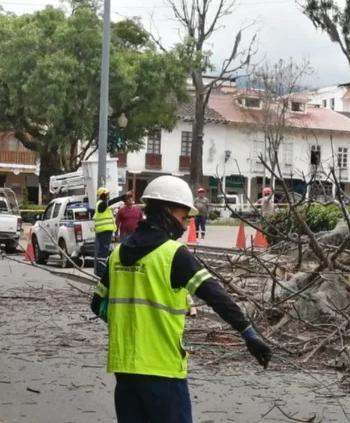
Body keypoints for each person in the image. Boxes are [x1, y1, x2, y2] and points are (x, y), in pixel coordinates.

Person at [90, 175, 272, 423]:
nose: (186, 225)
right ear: (167, 211)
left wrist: (126, 322)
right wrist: (249, 334)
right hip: (162, 369)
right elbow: (216, 296)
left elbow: (97, 304)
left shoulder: (118, 254)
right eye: (184, 216)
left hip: (124, 370)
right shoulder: (173, 254)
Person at [94, 188, 131, 278]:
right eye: (107, 194)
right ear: (102, 195)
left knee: (106, 251)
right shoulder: (101, 204)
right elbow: (111, 202)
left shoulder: (103, 206)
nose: (108, 196)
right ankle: (101, 274)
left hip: (106, 231)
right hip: (104, 231)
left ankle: (104, 272)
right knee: (103, 252)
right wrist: (123, 197)